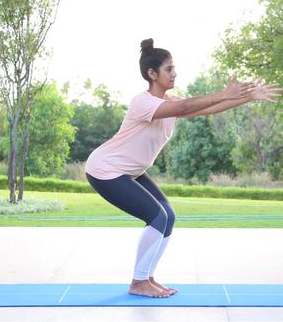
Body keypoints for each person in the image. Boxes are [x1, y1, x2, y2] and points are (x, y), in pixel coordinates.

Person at [85, 38, 282, 298]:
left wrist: (246, 98)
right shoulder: (142, 102)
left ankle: (147, 277)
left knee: (168, 216)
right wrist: (225, 92)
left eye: (174, 68)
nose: (175, 73)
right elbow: (186, 106)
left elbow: (208, 108)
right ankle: (138, 281)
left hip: (129, 171)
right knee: (157, 217)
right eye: (169, 69)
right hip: (105, 170)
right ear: (152, 74)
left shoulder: (170, 102)